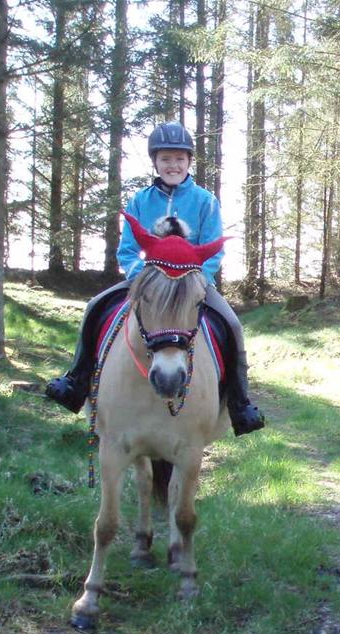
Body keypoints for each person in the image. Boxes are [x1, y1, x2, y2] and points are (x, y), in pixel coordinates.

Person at [45, 121, 264, 435]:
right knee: (95, 305)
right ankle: (76, 381)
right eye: (165, 159)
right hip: (148, 284)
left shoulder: (205, 202)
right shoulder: (140, 201)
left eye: (179, 159)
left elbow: (213, 251)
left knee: (231, 324)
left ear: (189, 162)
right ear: (155, 162)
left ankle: (240, 404)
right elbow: (128, 250)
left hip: (192, 286)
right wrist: (142, 276)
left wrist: (196, 279)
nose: (172, 165)